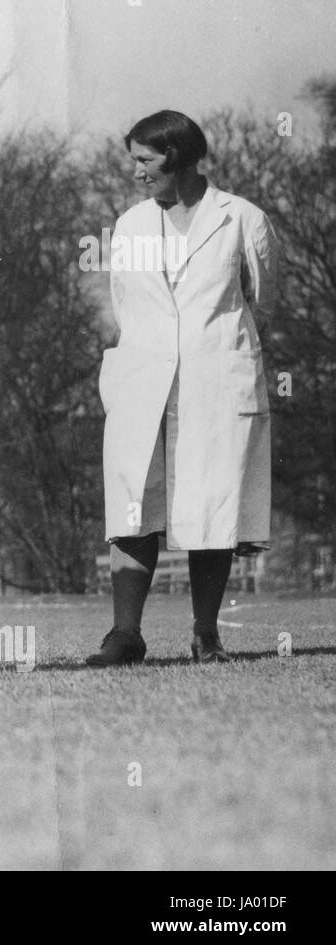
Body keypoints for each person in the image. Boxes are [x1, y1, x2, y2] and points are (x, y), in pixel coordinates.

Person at [87, 110, 276, 667]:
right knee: (133, 507)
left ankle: (207, 633)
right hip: (143, 382)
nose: (136, 173)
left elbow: (264, 300)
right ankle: (125, 635)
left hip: (215, 382)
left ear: (180, 158)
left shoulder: (242, 218)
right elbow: (125, 305)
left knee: (211, 505)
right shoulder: (129, 226)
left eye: (145, 161)